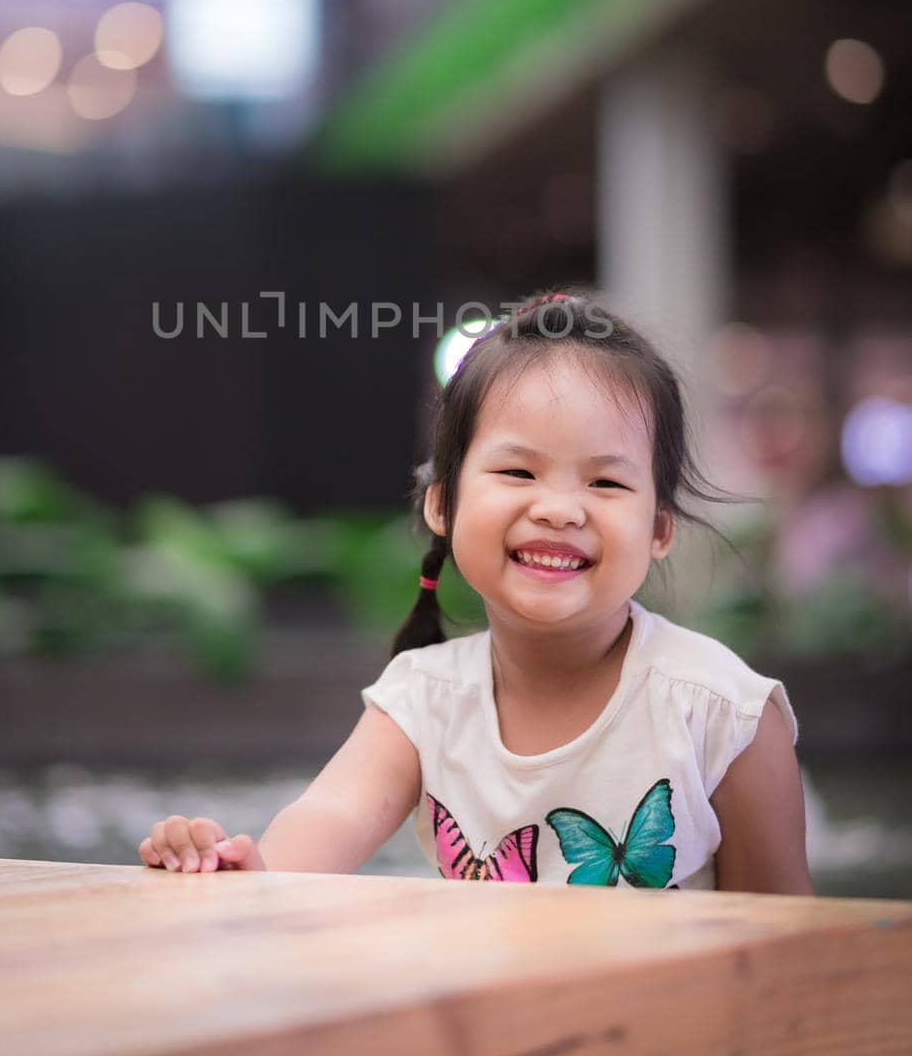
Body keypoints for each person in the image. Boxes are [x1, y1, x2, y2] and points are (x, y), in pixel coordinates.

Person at [139, 287, 814, 893]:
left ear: (659, 528)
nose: (558, 509)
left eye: (604, 483)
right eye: (518, 471)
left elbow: (787, 944)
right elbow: (324, 821)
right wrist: (229, 868)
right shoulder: (422, 701)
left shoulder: (723, 717)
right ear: (442, 505)